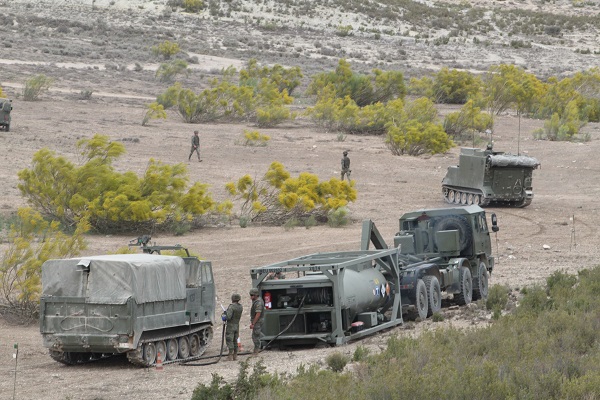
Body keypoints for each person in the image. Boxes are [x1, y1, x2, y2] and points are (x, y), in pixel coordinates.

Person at [223, 293, 243, 361]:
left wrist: (225, 314)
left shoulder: (231, 307)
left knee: (229, 339)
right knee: (235, 340)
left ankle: (230, 356)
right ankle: (235, 355)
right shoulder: (240, 307)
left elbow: (228, 317)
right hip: (237, 325)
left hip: (230, 326)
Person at [249, 287, 264, 354]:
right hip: (258, 321)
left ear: (256, 295)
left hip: (258, 321)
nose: (251, 297)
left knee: (255, 336)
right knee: (257, 334)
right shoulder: (256, 301)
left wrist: (253, 323)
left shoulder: (258, 303)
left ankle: (256, 350)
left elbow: (258, 314)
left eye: (252, 295)